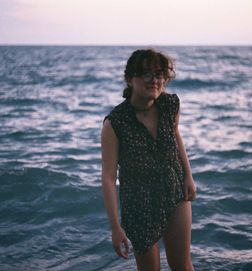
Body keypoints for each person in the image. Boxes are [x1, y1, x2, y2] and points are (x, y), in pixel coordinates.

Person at [101, 48, 196, 271]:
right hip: (138, 203)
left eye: (159, 74)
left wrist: (188, 175)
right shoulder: (115, 123)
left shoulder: (169, 105)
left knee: (182, 265)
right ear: (130, 79)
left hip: (174, 190)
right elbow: (107, 178)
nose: (154, 80)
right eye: (147, 74)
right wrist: (116, 228)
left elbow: (175, 136)